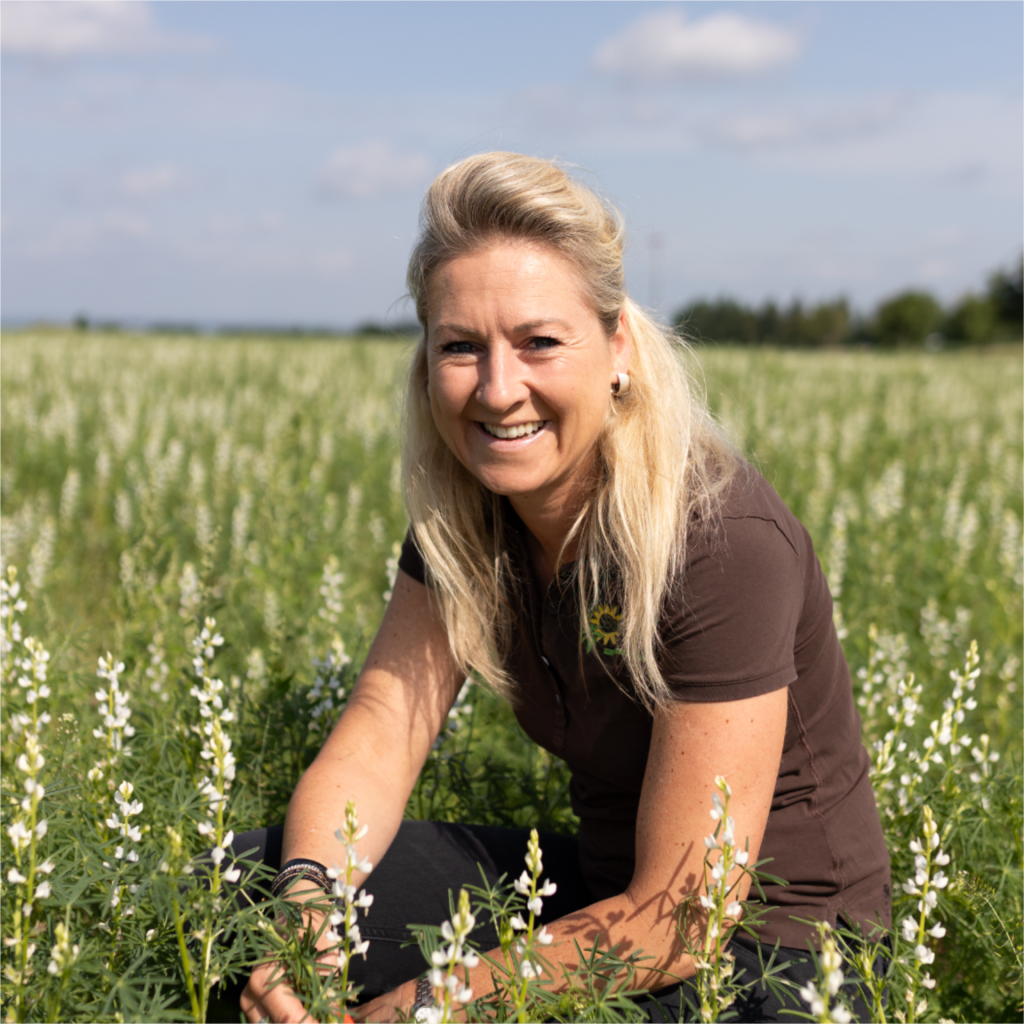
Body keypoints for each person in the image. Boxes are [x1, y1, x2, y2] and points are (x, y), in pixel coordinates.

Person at [236, 152, 891, 1024]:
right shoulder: (472, 514)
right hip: (600, 894)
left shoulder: (721, 539)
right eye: (460, 347)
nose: (499, 390)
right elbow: (382, 734)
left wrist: (431, 1003)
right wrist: (305, 912)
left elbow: (682, 920)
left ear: (617, 347)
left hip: (772, 953)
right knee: (240, 887)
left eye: (540, 342)